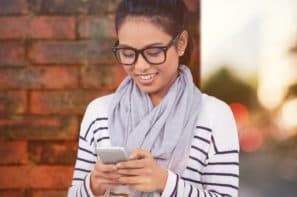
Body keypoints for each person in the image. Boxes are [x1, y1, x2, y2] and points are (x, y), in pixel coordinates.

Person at [68, 0, 239, 196]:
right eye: (127, 52)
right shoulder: (99, 113)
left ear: (180, 43)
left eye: (154, 52)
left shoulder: (214, 115)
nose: (140, 66)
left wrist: (164, 182)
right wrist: (93, 186)